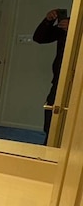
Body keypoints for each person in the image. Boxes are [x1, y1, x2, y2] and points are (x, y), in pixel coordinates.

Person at [33, 8, 69, 140]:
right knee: (51, 119)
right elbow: (39, 38)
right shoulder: (64, 27)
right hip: (58, 81)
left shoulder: (74, 27)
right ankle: (49, 146)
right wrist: (48, 21)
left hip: (76, 83)